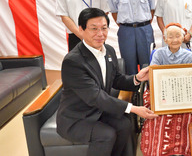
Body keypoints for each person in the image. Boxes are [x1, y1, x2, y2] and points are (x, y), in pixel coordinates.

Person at [56, 8, 158, 156]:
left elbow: (115, 79)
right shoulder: (73, 61)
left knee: (124, 125)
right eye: (93, 29)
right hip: (76, 117)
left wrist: (137, 78)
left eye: (104, 28)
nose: (100, 34)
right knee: (105, 135)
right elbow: (95, 97)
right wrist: (134, 108)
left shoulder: (108, 50)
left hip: (98, 111)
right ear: (81, 29)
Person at [140, 23, 192, 156]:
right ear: (165, 40)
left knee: (186, 115)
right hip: (160, 92)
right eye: (170, 36)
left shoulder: (189, 56)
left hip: (182, 93)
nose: (174, 39)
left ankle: (182, 149)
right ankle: (156, 149)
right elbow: (153, 77)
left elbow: (191, 79)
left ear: (183, 38)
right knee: (155, 115)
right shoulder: (158, 54)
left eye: (178, 36)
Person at [108, 0, 155, 75]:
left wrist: (143, 24)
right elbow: (114, 12)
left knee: (147, 63)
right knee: (129, 64)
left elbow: (152, 10)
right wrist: (125, 25)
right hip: (126, 31)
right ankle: (132, 92)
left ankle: (148, 91)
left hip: (145, 30)